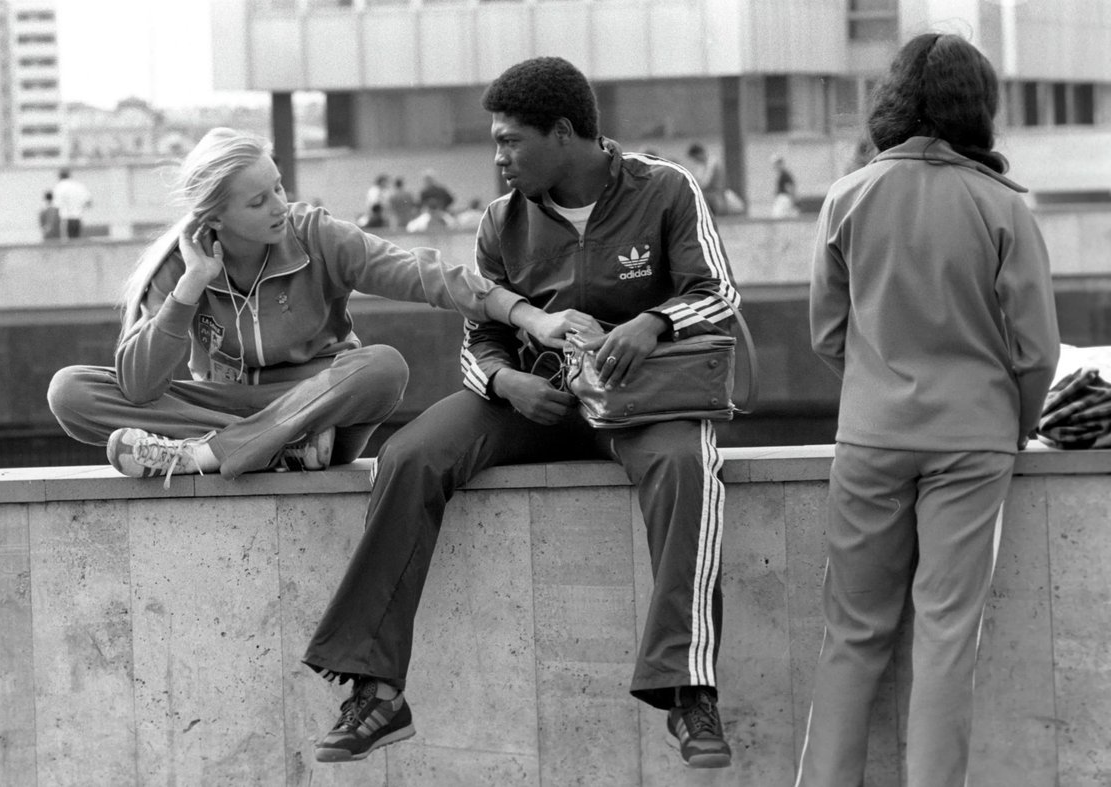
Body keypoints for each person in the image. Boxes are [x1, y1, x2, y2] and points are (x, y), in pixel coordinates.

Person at [302, 56, 741, 770]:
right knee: (410, 454)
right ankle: (376, 689)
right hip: (531, 401)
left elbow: (718, 293)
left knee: (690, 464)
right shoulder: (500, 221)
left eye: (510, 140)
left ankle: (690, 690)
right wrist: (507, 385)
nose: (499, 157)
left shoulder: (665, 189)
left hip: (641, 404)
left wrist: (652, 322)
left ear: (564, 132)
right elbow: (478, 337)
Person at [795, 33, 1060, 787]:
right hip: (974, 440)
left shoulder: (848, 197)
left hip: (871, 436)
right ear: (979, 105)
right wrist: (1013, 423)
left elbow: (826, 333)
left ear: (894, 97)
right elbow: (1037, 349)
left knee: (851, 633)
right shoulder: (1003, 204)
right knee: (947, 634)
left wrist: (877, 387)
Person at [47, 127, 594, 486]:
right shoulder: (179, 264)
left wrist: (530, 316)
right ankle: (268, 447)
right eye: (259, 201)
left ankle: (200, 455)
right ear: (215, 217)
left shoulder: (313, 234)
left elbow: (424, 275)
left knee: (382, 366)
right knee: (70, 390)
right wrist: (192, 287)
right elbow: (139, 386)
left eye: (279, 188)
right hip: (255, 414)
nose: (279, 206)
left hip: (319, 404)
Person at [687, 142, 726, 214]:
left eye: (695, 158)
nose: (695, 161)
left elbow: (705, 183)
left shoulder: (713, 163)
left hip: (715, 195)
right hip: (708, 194)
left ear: (699, 154)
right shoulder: (701, 165)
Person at [53, 169, 92, 239]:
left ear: (60, 176)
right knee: (77, 242)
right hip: (78, 218)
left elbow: (56, 206)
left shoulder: (59, 186)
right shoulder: (78, 185)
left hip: (65, 219)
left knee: (68, 244)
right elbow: (88, 202)